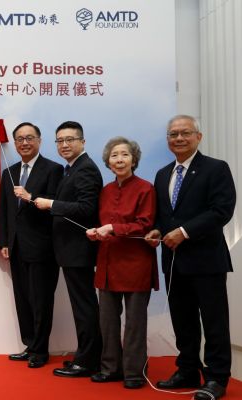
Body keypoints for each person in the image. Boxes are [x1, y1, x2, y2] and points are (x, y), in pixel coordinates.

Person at [145, 115, 235, 400]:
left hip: (207, 260)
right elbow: (163, 215)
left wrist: (184, 232)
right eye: (173, 134)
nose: (179, 138)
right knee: (182, 321)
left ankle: (217, 379)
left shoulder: (216, 168)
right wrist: (158, 229)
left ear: (199, 136)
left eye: (185, 133)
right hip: (173, 262)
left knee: (214, 322)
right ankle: (187, 370)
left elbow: (222, 210)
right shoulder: (162, 174)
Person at [85, 137, 158, 389]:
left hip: (136, 262)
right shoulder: (105, 191)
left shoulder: (146, 188)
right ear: (108, 161)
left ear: (134, 160)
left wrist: (112, 228)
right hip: (107, 262)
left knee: (135, 323)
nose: (118, 159)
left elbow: (145, 224)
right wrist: (96, 232)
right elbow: (103, 223)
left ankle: (134, 373)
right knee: (107, 321)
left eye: (124, 155)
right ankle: (110, 368)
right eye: (114, 155)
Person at [34, 120, 102, 377]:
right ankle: (86, 355)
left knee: (84, 306)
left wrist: (51, 204)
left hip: (79, 249)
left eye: (70, 139)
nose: (64, 145)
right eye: (60, 140)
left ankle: (88, 361)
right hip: (70, 249)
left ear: (82, 142)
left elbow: (87, 209)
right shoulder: (73, 168)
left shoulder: (85, 169)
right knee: (82, 305)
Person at [0, 122, 62, 368]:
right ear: (15, 143)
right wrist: (4, 240)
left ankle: (41, 350)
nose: (24, 143)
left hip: (42, 247)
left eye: (29, 138)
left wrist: (31, 197)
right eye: (20, 139)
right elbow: (4, 210)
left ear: (39, 140)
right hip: (16, 247)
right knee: (23, 299)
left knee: (41, 300)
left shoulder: (53, 169)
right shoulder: (9, 172)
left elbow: (57, 205)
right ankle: (29, 345)